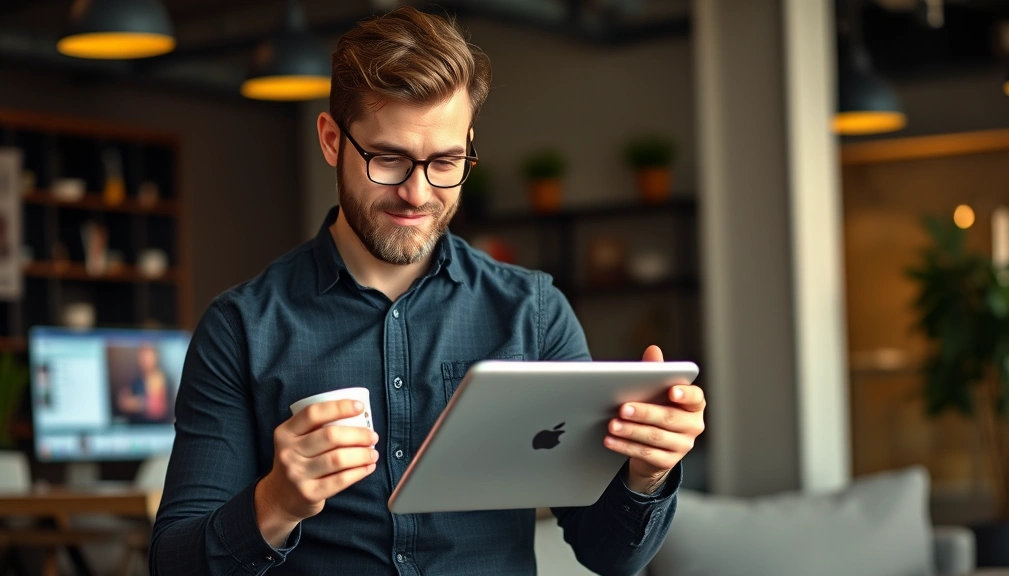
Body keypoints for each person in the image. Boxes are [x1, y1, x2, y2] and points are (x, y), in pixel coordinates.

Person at [151, 7, 705, 575]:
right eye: (388, 159)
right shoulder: (241, 328)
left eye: (444, 161)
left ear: (468, 144)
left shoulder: (533, 314)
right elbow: (173, 565)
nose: (417, 194)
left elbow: (611, 556)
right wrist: (274, 505)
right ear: (330, 140)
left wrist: (648, 473)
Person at [116, 344, 171, 423]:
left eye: (148, 357)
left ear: (155, 357)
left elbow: (158, 409)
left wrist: (138, 403)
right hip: (138, 428)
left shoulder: (163, 379)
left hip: (158, 428)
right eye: (142, 357)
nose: (145, 360)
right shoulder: (135, 381)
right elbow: (123, 403)